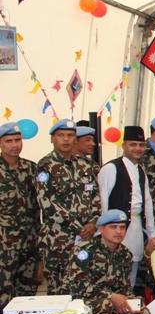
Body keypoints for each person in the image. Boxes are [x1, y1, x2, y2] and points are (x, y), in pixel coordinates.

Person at [57, 209, 149, 314]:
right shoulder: (84, 250)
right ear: (101, 229)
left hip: (106, 300)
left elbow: (124, 287)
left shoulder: (125, 254)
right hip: (79, 302)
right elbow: (77, 287)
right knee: (108, 305)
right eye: (113, 227)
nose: (118, 231)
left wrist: (130, 300)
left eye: (122, 227)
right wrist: (111, 297)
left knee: (142, 312)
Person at [35, 119, 100, 293]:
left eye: (70, 135)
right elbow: (48, 203)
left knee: (85, 287)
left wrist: (93, 223)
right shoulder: (45, 166)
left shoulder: (85, 165)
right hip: (59, 240)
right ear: (52, 139)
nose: (66, 139)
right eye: (61, 135)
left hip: (87, 238)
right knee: (59, 290)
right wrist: (79, 227)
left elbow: (96, 197)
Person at [98, 125, 155, 287]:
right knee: (111, 274)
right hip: (114, 229)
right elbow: (102, 202)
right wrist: (102, 232)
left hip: (135, 227)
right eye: (133, 144)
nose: (137, 149)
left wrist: (152, 235)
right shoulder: (111, 168)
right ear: (124, 145)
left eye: (141, 145)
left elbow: (147, 204)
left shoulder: (141, 171)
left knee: (131, 274)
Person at [0, 122, 41, 304]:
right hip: (4, 245)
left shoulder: (32, 169)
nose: (14, 145)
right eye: (9, 141)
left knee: (27, 295)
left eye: (17, 140)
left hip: (30, 242)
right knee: (3, 292)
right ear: (1, 143)